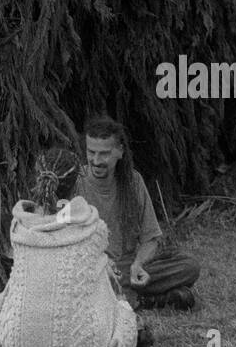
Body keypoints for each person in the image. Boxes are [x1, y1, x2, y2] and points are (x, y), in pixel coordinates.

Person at [0, 147, 142, 347]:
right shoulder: (92, 226)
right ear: (77, 184)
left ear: (37, 179)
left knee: (0, 300)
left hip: (14, 345)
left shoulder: (19, 225)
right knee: (116, 299)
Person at [73, 115, 199, 311]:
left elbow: (151, 238)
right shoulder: (75, 183)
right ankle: (151, 299)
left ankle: (130, 295)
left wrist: (138, 264)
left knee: (189, 266)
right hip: (93, 269)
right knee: (86, 281)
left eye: (104, 154)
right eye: (91, 152)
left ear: (120, 152)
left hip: (127, 267)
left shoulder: (133, 181)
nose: (96, 161)